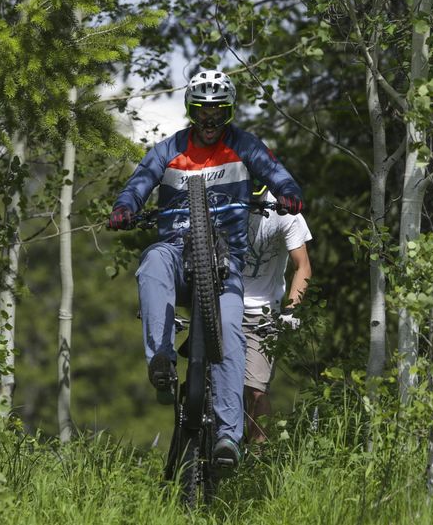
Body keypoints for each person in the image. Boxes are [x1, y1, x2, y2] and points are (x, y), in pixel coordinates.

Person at [107, 69, 303, 468]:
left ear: (228, 113)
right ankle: (161, 361)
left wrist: (289, 193)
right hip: (177, 254)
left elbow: (276, 172)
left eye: (219, 112)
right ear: (190, 111)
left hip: (224, 264)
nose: (210, 121)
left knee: (231, 333)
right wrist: (126, 207)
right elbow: (139, 182)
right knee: (151, 262)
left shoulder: (245, 145)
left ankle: (228, 438)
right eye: (202, 111)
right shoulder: (168, 150)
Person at [242, 184, 312, 443]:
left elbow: (302, 266)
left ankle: (257, 462)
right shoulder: (221, 200)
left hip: (261, 313)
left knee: (256, 391)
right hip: (220, 304)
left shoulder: (284, 211)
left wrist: (291, 310)